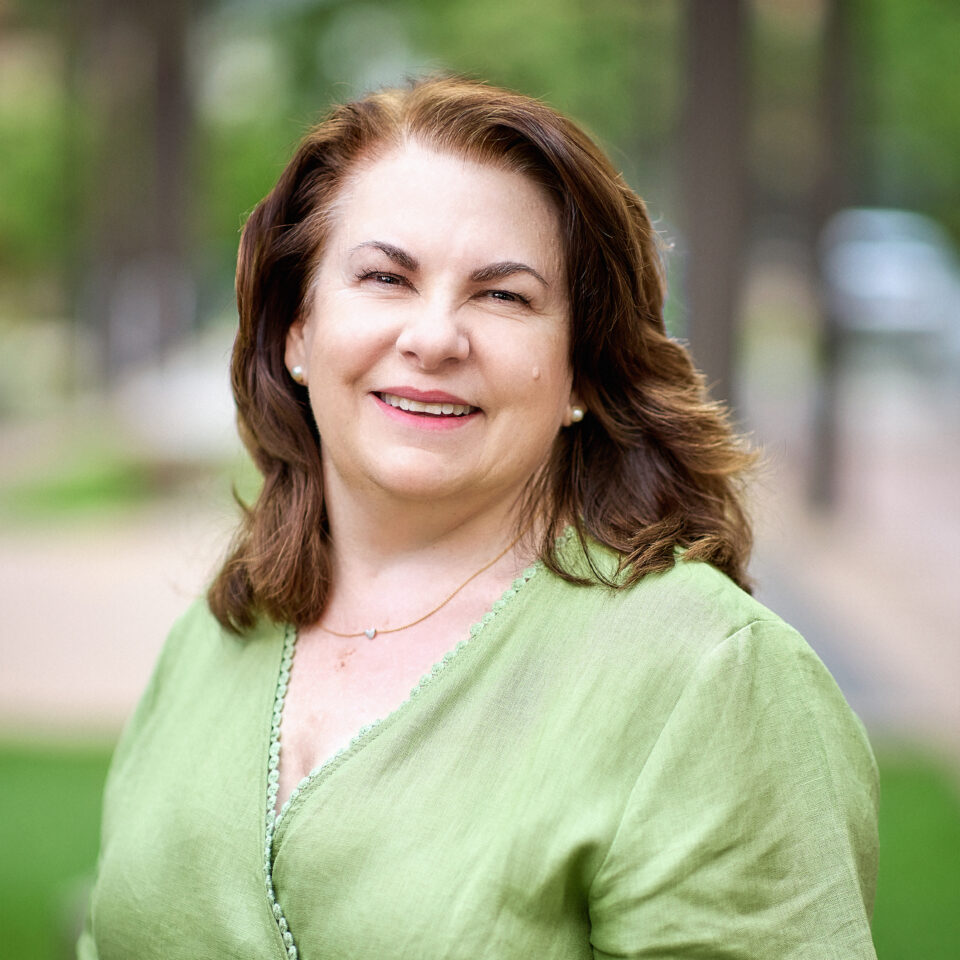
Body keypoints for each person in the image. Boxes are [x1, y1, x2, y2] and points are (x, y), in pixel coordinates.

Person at [78, 76, 878, 959]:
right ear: (297, 328)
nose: (433, 338)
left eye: (503, 296)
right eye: (386, 277)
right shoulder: (216, 636)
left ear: (581, 370)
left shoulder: (709, 676)